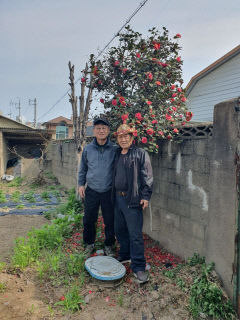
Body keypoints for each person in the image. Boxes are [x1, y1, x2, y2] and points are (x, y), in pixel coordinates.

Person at [113, 124, 153, 283]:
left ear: (132, 138)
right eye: (120, 137)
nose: (123, 139)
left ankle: (138, 267)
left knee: (135, 234)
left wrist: (146, 196)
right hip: (117, 198)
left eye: (126, 136)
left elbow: (147, 176)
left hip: (133, 199)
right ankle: (125, 255)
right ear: (117, 139)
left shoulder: (140, 154)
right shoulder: (116, 153)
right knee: (119, 229)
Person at [78, 117, 116, 257]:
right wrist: (81, 184)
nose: (101, 131)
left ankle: (109, 244)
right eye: (98, 128)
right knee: (89, 219)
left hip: (108, 191)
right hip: (92, 190)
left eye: (104, 128)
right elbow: (83, 168)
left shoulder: (114, 149)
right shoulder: (88, 149)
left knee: (110, 220)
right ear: (94, 130)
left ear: (108, 131)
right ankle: (89, 243)